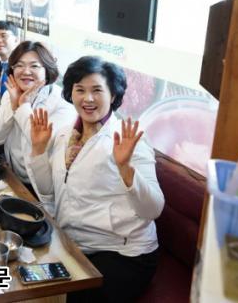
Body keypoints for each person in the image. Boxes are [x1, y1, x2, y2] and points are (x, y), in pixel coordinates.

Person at [26, 56, 164, 303]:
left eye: (97, 90)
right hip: (75, 243)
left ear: (113, 95)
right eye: (80, 90)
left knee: (55, 297)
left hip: (123, 254)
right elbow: (49, 191)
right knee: (24, 278)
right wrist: (38, 150)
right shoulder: (66, 133)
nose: (88, 99)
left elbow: (153, 209)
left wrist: (125, 168)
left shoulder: (127, 140)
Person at [0, 41, 74, 185]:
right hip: (13, 176)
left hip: (44, 184)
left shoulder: (61, 103)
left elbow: (43, 144)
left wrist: (22, 107)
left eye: (34, 66)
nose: (26, 72)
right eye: (19, 65)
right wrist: (12, 105)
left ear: (47, 70)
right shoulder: (11, 93)